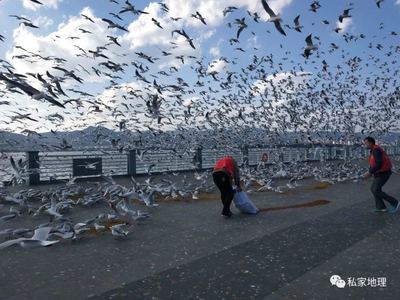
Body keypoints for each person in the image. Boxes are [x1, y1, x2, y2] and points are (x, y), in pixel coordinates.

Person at [362, 137, 399, 213]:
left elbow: (379, 163)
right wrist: (371, 171)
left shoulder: (376, 150)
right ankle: (381, 207)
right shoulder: (373, 150)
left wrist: (369, 172)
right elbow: (374, 163)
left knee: (375, 189)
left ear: (371, 143)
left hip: (383, 173)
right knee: (375, 189)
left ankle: (395, 202)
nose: (365, 145)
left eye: (366, 143)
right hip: (380, 172)